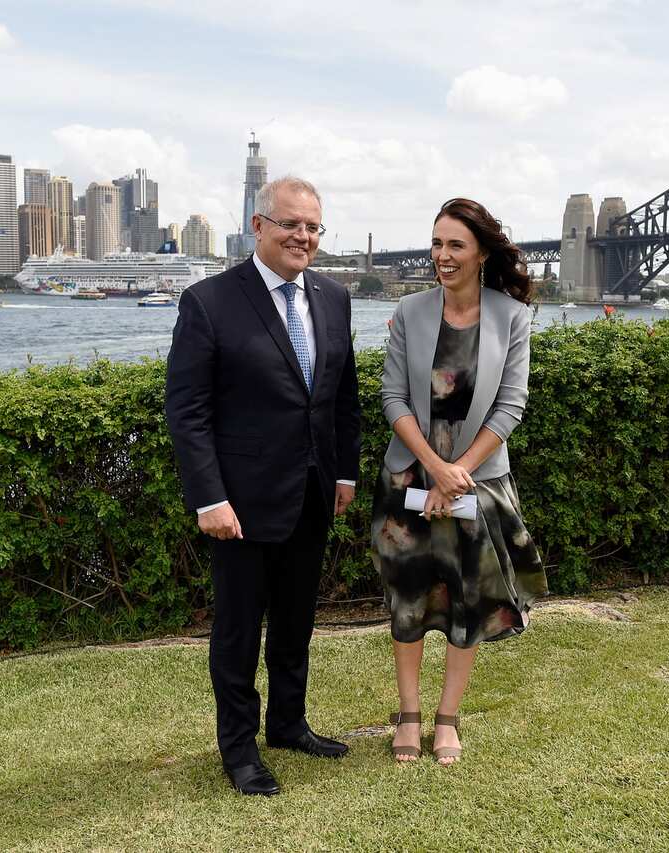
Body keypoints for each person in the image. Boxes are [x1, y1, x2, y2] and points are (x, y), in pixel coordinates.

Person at [165, 176, 361, 796]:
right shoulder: (209, 302)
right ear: (258, 226)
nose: (302, 236)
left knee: (298, 620)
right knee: (238, 630)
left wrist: (346, 470)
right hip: (240, 503)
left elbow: (342, 396)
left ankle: (288, 723)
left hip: (311, 491)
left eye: (312, 227)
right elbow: (187, 411)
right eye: (290, 224)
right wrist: (208, 497)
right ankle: (240, 749)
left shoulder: (333, 298)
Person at [371, 197, 548, 765]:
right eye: (436, 243)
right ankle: (409, 714)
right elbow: (393, 397)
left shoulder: (512, 318)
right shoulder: (410, 312)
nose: (442, 256)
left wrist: (459, 473)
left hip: (476, 482)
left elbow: (511, 406)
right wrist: (435, 468)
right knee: (409, 600)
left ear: (481, 253)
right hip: (410, 478)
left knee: (466, 601)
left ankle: (446, 718)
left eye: (456, 245)